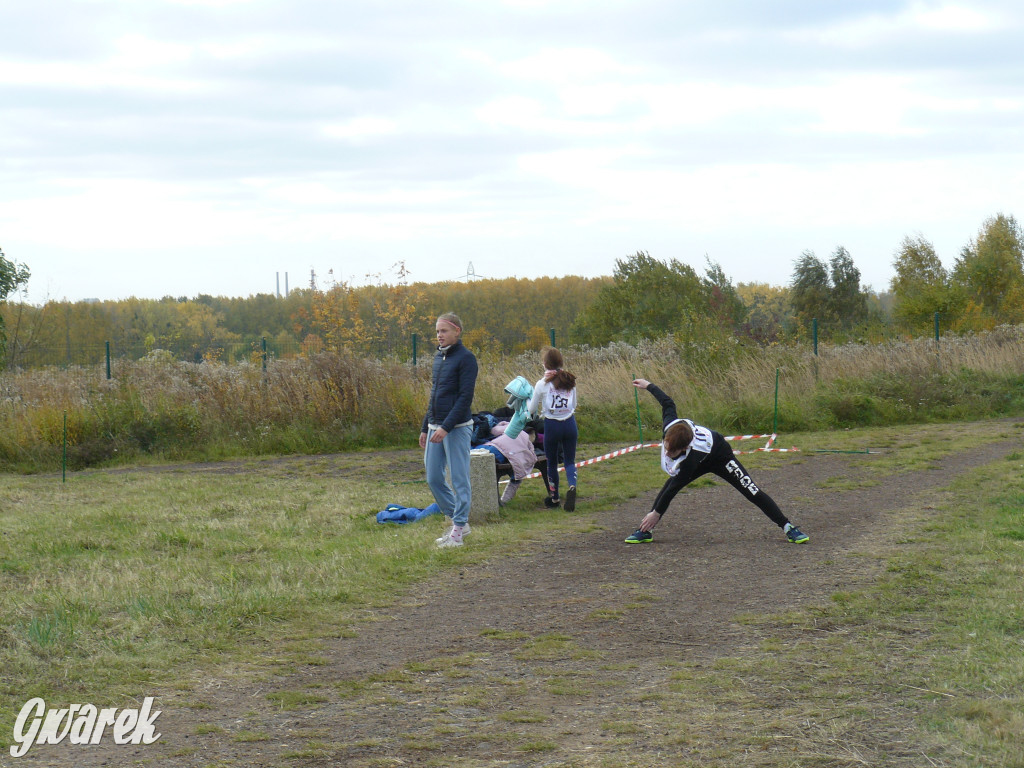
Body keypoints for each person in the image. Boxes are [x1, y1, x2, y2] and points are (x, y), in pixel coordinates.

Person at [625, 378, 809, 545]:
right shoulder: (670, 426)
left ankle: (788, 527)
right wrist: (648, 385)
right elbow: (667, 402)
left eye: (673, 452)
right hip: (700, 456)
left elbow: (675, 489)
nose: (668, 453)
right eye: (667, 447)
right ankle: (645, 531)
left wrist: (656, 513)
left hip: (720, 457)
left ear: (685, 448)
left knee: (751, 489)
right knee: (668, 485)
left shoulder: (691, 458)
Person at [420, 313, 478, 548]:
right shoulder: (438, 358)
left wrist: (446, 427)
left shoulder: (467, 359)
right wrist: (426, 427)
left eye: (444, 331)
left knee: (459, 479)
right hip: (435, 427)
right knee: (434, 478)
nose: (439, 336)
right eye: (437, 332)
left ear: (457, 332)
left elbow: (465, 398)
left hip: (457, 428)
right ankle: (460, 523)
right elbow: (434, 395)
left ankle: (458, 530)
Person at [528, 347, 579, 512]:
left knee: (551, 462)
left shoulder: (542, 384)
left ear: (544, 364)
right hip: (570, 423)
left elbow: (532, 409)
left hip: (552, 425)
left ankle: (554, 497)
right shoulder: (570, 380)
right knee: (569, 460)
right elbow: (574, 404)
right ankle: (572, 486)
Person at [478, 422, 538, 505]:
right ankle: (505, 500)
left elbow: (494, 431)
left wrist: (500, 424)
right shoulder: (528, 442)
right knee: (516, 478)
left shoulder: (511, 427)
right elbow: (532, 457)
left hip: (495, 447)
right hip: (510, 458)